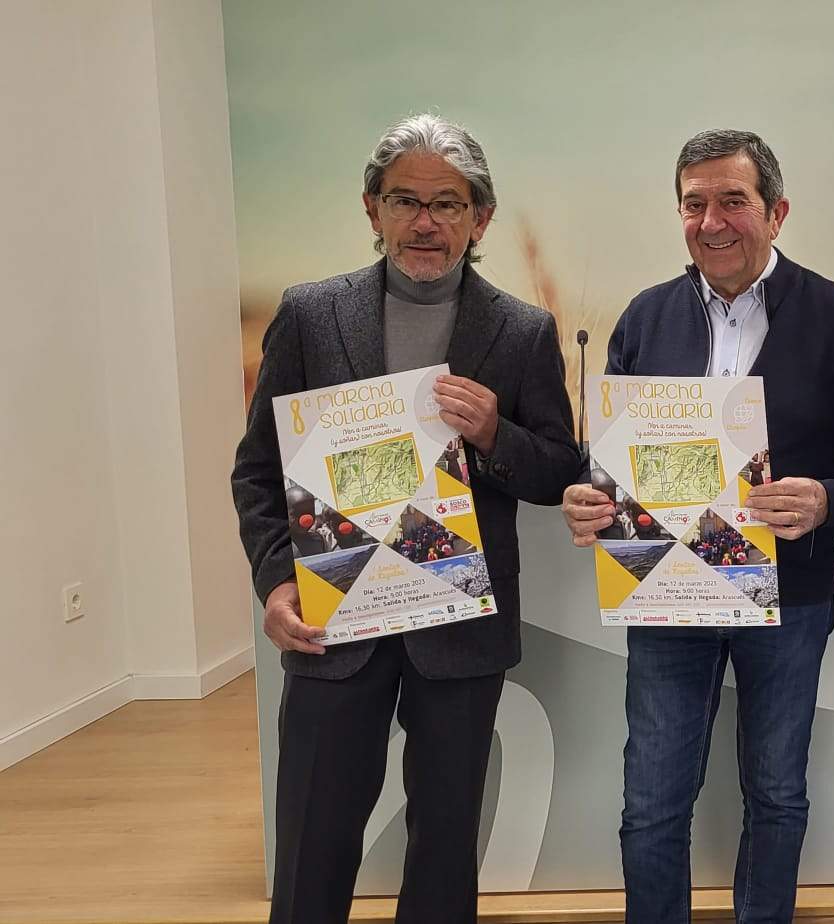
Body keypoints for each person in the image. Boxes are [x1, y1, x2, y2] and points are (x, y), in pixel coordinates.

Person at [230, 113, 579, 924]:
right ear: (372, 208)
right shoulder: (311, 314)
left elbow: (558, 467)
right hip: (332, 620)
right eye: (405, 200)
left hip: (459, 629)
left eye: (448, 204)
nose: (426, 222)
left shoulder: (523, 331)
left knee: (446, 842)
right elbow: (257, 469)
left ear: (479, 218)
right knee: (314, 837)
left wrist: (495, 433)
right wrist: (278, 581)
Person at [559, 129, 834, 924]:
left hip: (791, 598)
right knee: (650, 802)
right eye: (694, 204)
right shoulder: (645, 319)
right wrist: (589, 494)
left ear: (776, 211)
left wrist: (826, 497)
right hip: (665, 596)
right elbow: (609, 457)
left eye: (733, 201)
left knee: (778, 795)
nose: (711, 221)